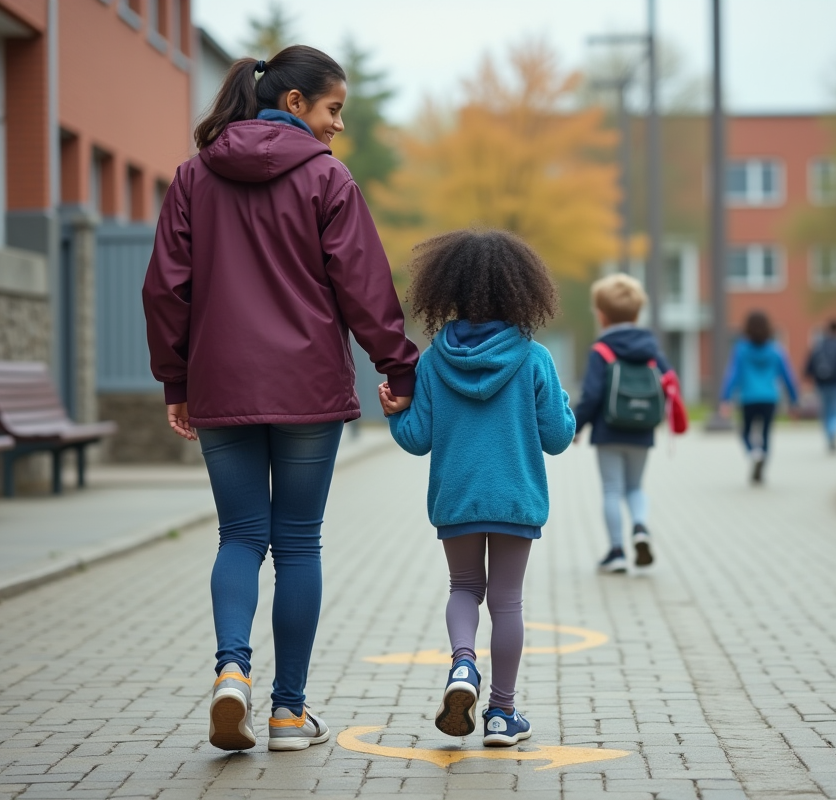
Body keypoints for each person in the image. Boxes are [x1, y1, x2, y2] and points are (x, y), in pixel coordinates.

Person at [143, 45, 419, 753]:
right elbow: (364, 284)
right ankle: (288, 715)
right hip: (307, 391)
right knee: (297, 543)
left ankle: (230, 670)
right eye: (333, 109)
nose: (338, 127)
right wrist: (399, 367)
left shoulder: (193, 178)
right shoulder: (327, 179)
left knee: (240, 536)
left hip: (221, 384)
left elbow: (165, 290)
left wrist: (176, 380)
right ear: (295, 102)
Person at [378, 229, 575, 748]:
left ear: (446, 290)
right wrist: (565, 404)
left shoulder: (433, 361)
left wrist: (393, 416)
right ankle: (501, 715)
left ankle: (463, 668)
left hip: (456, 498)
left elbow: (417, 439)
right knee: (507, 602)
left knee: (464, 588)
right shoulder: (535, 360)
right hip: (515, 499)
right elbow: (557, 438)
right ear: (523, 291)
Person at [572, 274, 686, 574]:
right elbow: (669, 382)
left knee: (611, 489)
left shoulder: (601, 350)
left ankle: (617, 552)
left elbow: (592, 394)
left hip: (609, 430)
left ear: (602, 315)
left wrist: (576, 425)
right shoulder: (651, 349)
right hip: (642, 430)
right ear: (637, 313)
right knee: (635, 487)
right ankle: (640, 527)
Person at [720, 311, 799, 484]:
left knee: (746, 432)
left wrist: (725, 398)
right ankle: (761, 462)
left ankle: (753, 453)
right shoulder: (776, 350)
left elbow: (733, 375)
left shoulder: (741, 349)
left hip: (748, 397)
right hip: (770, 398)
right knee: (766, 433)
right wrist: (794, 400)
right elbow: (787, 376)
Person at [803, 319, 836, 453]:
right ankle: (834, 430)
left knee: (825, 411)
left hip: (822, 383)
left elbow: (810, 364)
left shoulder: (819, 345)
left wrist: (808, 377)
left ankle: (829, 436)